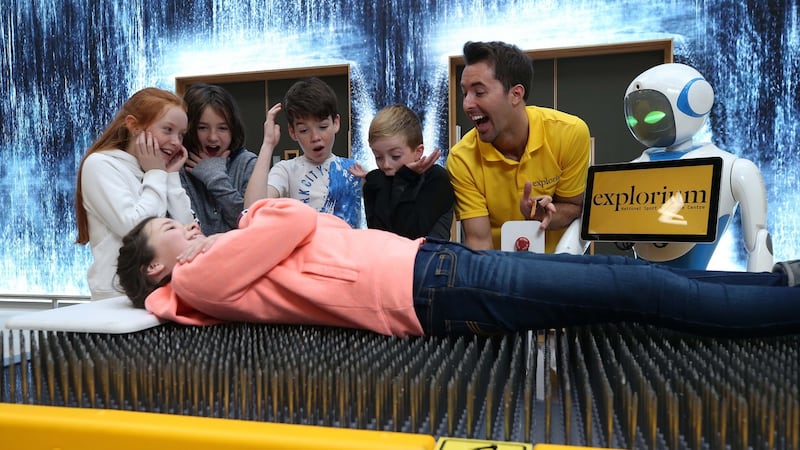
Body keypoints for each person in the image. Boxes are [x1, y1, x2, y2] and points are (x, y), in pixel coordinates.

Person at [117, 197, 800, 339]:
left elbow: (316, 226)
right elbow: (294, 218)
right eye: (172, 231)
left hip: (428, 269)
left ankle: (776, 285)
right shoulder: (199, 278)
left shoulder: (223, 258)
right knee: (635, 283)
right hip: (425, 292)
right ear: (157, 270)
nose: (191, 228)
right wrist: (256, 213)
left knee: (641, 284)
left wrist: (244, 229)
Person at [622, 63, 773, 272]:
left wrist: (758, 296)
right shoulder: (633, 169)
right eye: (633, 117)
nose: (642, 122)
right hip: (639, 286)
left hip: (697, 289)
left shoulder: (733, 169)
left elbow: (758, 240)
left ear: (696, 101)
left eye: (653, 115)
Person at [447, 41, 591, 253]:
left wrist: (541, 216)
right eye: (464, 93)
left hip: (558, 267)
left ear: (516, 94)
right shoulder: (461, 159)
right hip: (498, 272)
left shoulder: (570, 133)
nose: (467, 104)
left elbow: (573, 207)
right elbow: (479, 243)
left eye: (478, 92)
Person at [75, 87, 194, 300]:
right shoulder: (100, 164)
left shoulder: (154, 170)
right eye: (168, 129)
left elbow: (188, 231)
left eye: (181, 135)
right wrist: (157, 173)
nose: (176, 141)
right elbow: (134, 228)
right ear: (134, 126)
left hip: (169, 291)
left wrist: (171, 176)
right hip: (117, 297)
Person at [244, 77, 362, 228]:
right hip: (307, 250)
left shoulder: (355, 169)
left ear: (336, 123)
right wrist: (267, 144)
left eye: (323, 126)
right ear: (293, 132)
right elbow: (252, 211)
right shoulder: (286, 170)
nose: (315, 137)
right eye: (304, 130)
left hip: (346, 249)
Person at [348, 104, 455, 239]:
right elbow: (380, 237)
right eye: (378, 157)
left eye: (396, 156)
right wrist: (376, 181)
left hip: (428, 258)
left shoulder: (436, 178)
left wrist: (404, 177)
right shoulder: (377, 182)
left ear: (418, 152)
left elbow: (408, 234)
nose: (386, 165)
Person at [179, 83, 257, 235]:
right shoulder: (178, 166)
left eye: (223, 128)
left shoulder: (247, 163)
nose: (213, 137)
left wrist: (215, 178)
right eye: (202, 128)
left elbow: (251, 223)